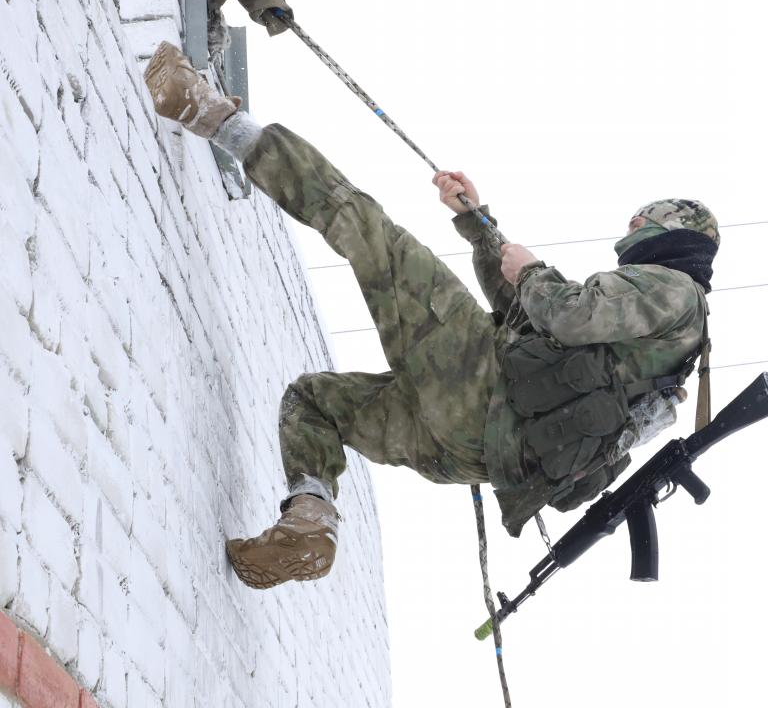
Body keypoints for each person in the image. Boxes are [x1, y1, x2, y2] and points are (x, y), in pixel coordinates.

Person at [143, 42, 720, 589]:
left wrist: (534, 269)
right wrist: (478, 223)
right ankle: (310, 517)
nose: (627, 238)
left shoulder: (676, 290)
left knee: (368, 230)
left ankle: (206, 112)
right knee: (314, 402)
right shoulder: (663, 354)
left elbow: (562, 315)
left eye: (639, 227)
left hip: (483, 385)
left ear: (673, 230)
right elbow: (529, 318)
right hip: (472, 453)